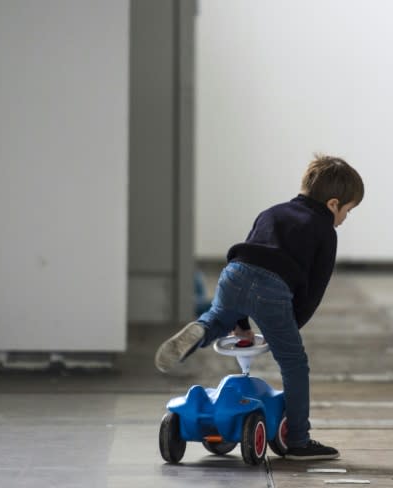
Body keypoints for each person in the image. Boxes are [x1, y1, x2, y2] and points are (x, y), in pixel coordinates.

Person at [155, 154, 364, 460]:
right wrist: (291, 326)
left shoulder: (272, 212)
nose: (345, 218)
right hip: (273, 288)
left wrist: (240, 322)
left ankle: (201, 330)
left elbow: (250, 258)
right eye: (348, 211)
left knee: (217, 316)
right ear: (333, 204)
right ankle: (297, 440)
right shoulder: (324, 231)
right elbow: (314, 290)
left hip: (234, 273)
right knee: (294, 362)